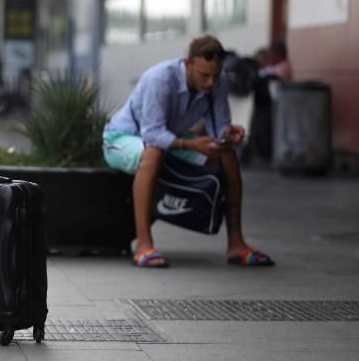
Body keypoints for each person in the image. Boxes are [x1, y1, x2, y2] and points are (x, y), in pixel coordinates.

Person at [102, 35, 274, 268]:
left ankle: (236, 244)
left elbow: (218, 130)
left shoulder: (218, 80)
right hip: (124, 138)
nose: (211, 83)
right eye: (204, 75)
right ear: (188, 64)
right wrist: (192, 145)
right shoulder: (160, 78)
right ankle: (143, 246)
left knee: (226, 155)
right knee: (153, 153)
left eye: (215, 75)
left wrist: (228, 134)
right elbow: (152, 134)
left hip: (171, 138)